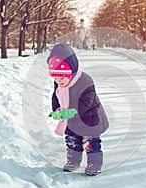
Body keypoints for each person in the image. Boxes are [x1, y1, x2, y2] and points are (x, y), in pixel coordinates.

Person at [47, 43, 109, 176]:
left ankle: (94, 163)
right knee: (72, 140)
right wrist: (57, 109)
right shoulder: (59, 82)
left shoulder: (85, 81)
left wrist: (72, 111)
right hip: (71, 118)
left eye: (61, 78)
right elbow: (56, 96)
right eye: (55, 78)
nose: (59, 81)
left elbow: (87, 100)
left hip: (89, 118)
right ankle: (73, 161)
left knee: (90, 141)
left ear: (71, 72)